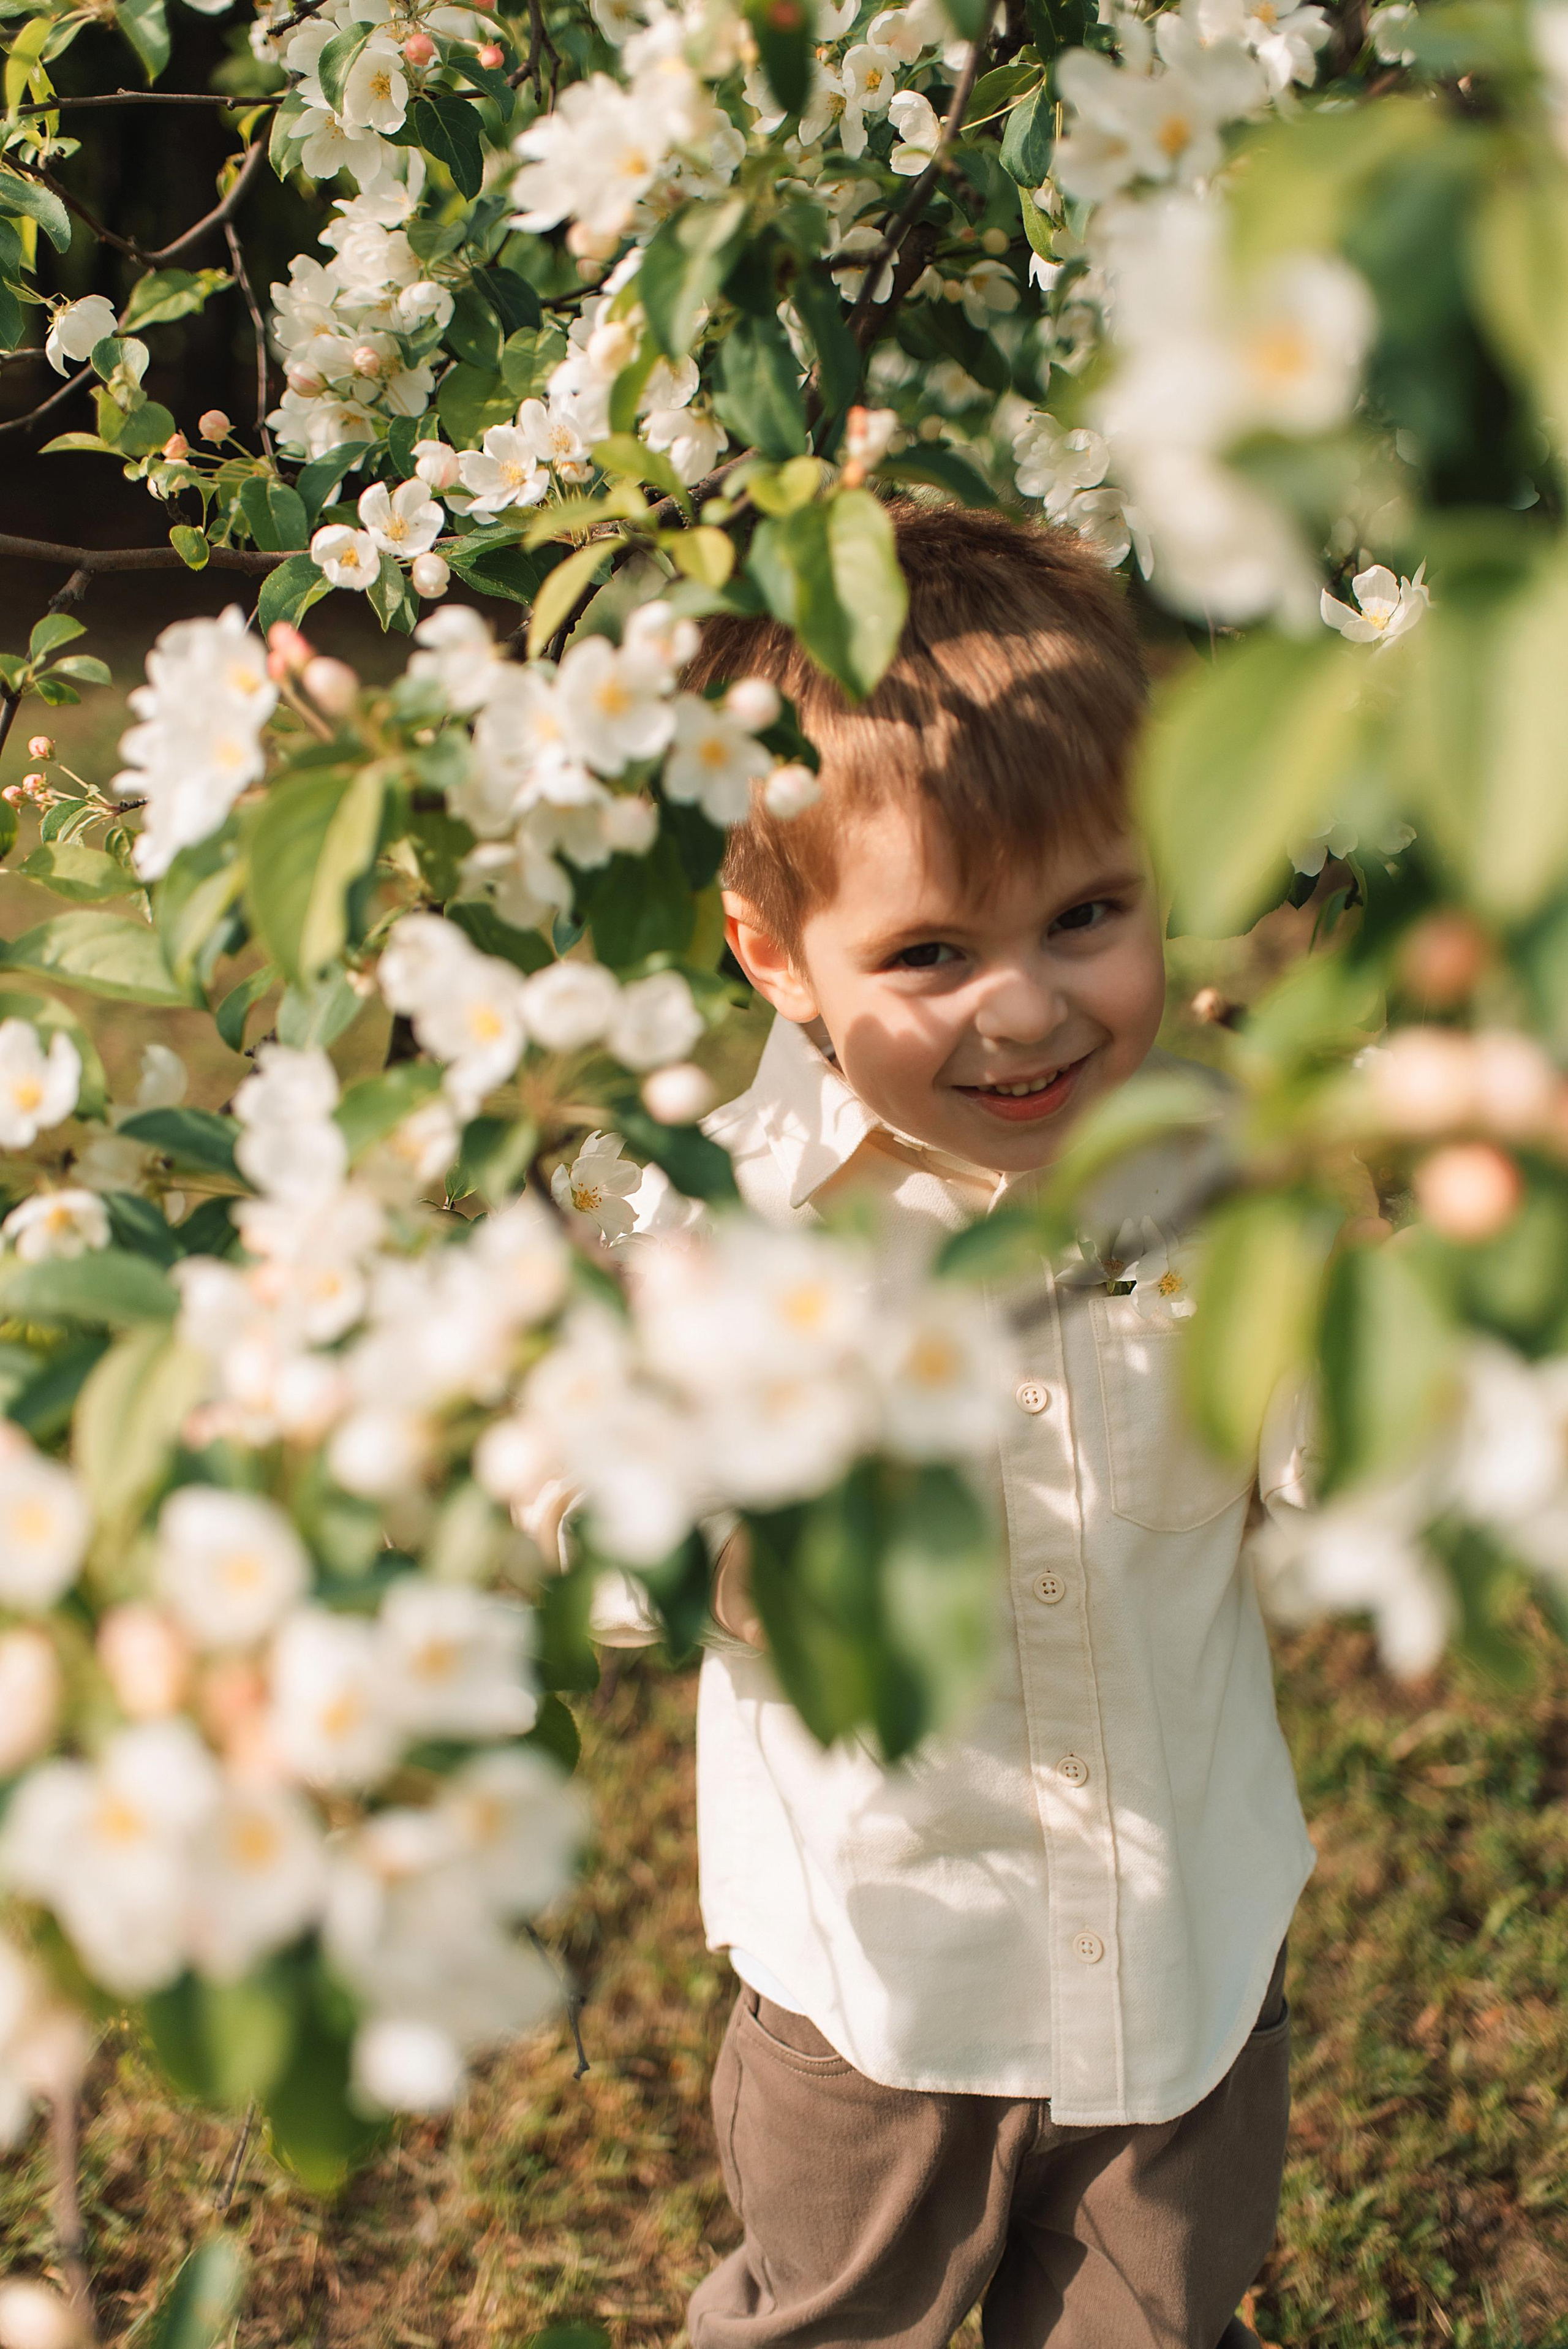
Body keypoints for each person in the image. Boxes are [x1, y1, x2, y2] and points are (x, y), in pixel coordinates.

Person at [590, 502, 1316, 2348]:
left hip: (1183, 1959)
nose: (1025, 1006)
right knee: (840, 2324)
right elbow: (587, 1530)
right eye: (927, 955)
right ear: (775, 954)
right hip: (878, 1981)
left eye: (1091, 914)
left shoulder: (1231, 1171)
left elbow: (1328, 1488)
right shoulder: (716, 1221)